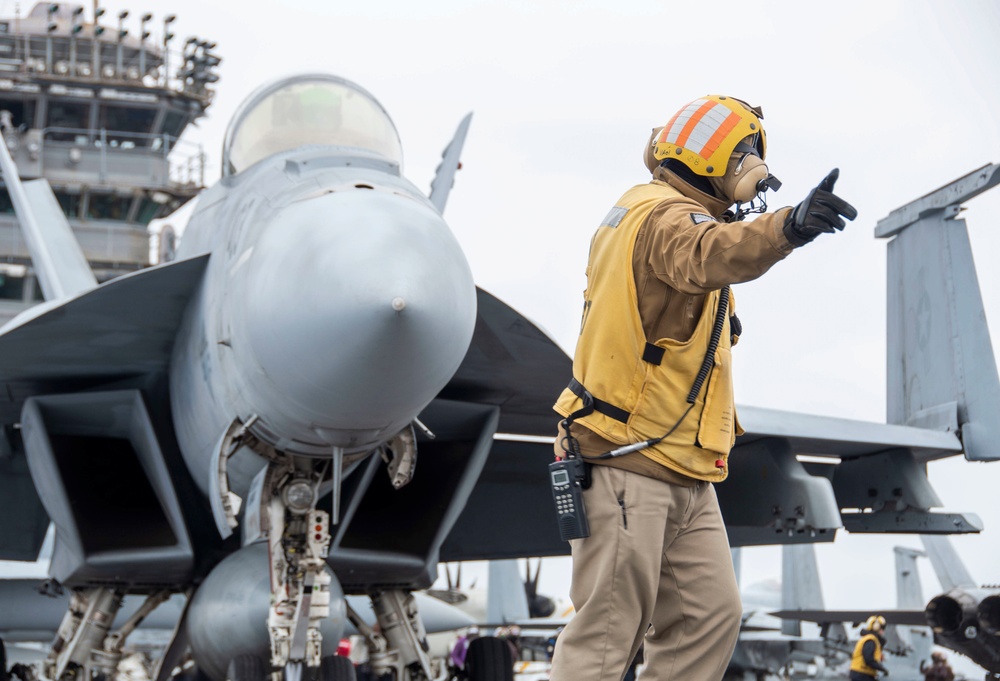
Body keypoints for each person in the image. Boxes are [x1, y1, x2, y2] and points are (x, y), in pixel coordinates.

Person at [548, 95, 858, 681]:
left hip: (683, 467)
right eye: (747, 156)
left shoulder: (652, 212)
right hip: (627, 457)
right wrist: (786, 226)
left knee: (709, 617)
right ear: (726, 160)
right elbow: (708, 251)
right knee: (607, 635)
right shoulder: (662, 215)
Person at [851, 615, 890, 680]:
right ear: (876, 627)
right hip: (862, 673)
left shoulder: (870, 639)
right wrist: (882, 669)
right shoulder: (870, 640)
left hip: (862, 673)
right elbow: (868, 659)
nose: (883, 631)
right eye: (882, 628)